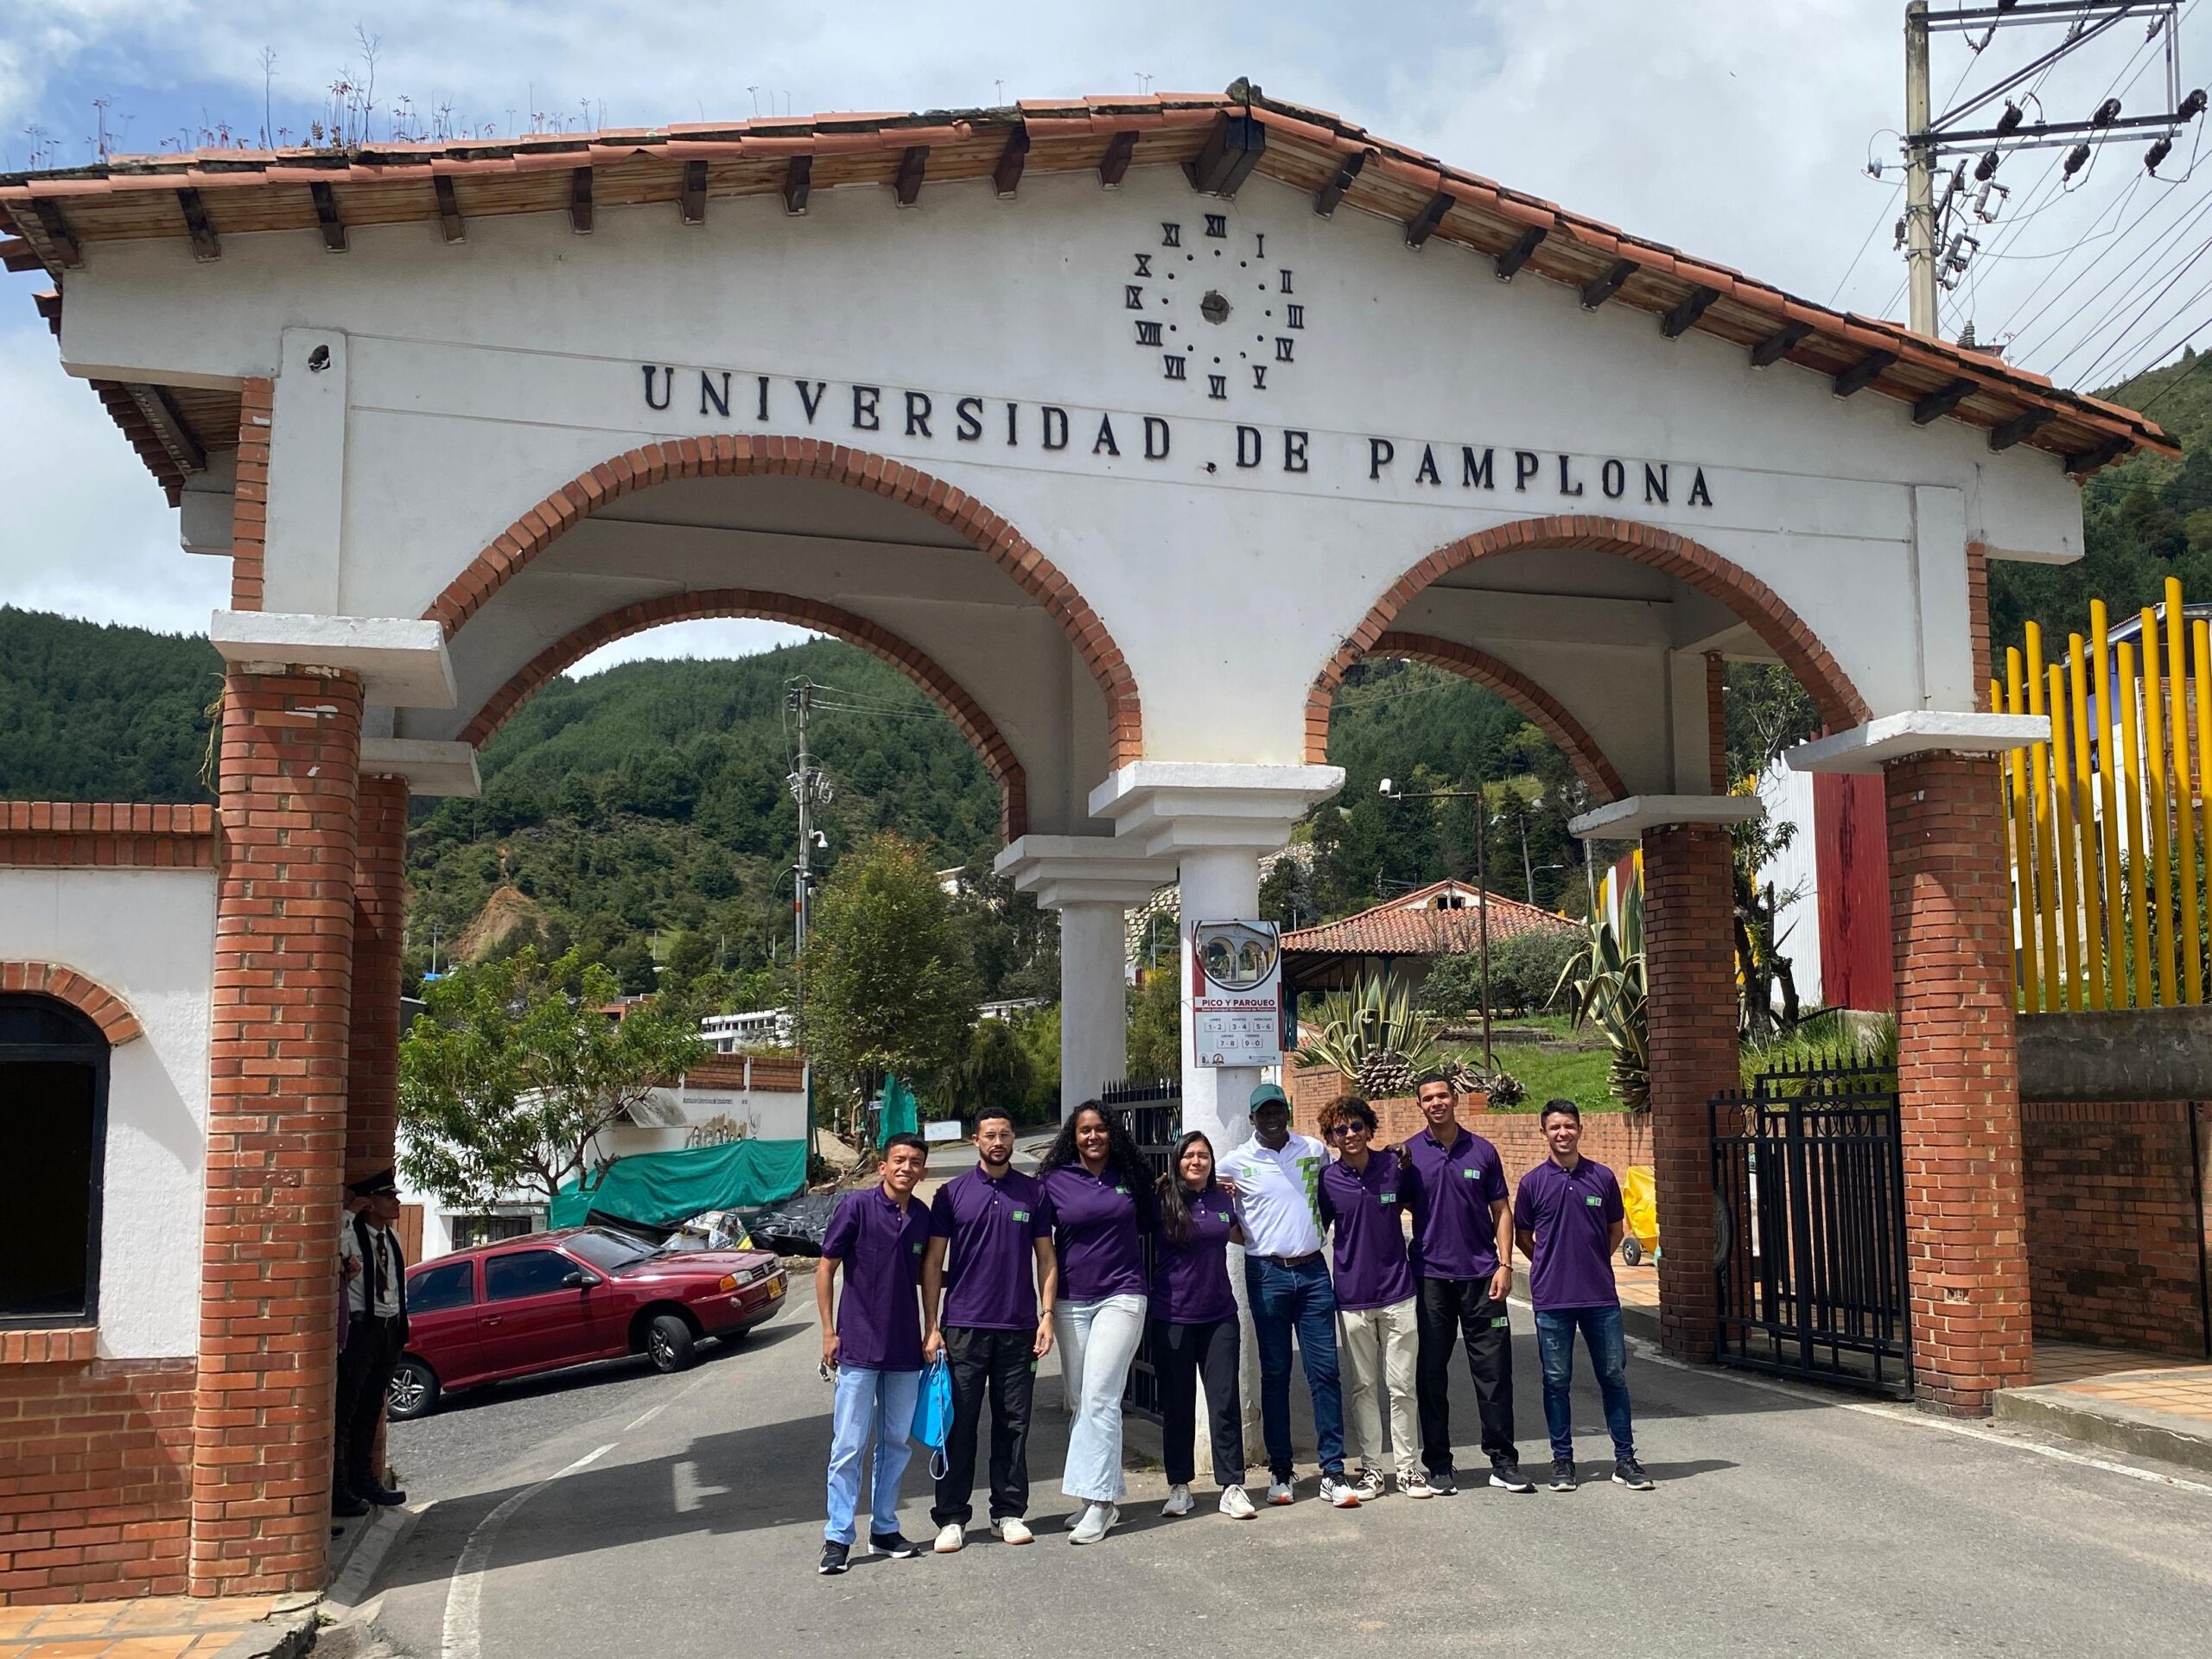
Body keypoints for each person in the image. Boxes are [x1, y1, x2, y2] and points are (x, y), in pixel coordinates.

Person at [919, 1107, 1058, 1553]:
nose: (997, 1142)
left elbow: (1047, 1258)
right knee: (957, 1425)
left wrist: (1047, 1313)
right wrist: (932, 1325)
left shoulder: (1033, 1193)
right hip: (963, 1327)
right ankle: (952, 1517)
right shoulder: (951, 1194)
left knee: (1013, 1423)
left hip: (1018, 1327)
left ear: (1013, 1139)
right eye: (989, 1135)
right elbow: (933, 1264)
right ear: (976, 1141)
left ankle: (1009, 1512)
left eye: (1004, 1135)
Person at [1219, 1083, 1358, 1510]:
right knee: (1276, 1374)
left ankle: (1333, 1470)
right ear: (1252, 1119)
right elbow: (1206, 1202)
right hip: (1266, 1274)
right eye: (1264, 1112)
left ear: (1288, 1112)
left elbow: (1340, 1185)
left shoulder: (1313, 1151)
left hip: (1314, 1272)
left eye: (1278, 1109)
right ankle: (1281, 1471)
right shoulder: (1234, 1163)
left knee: (1325, 1373)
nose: (1272, 1118)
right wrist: (1251, 1240)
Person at [1513, 1100, 1653, 1493]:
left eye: (1569, 1126)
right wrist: (1548, 1262)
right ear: (1544, 1133)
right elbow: (1524, 1236)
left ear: (1580, 1129)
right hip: (1552, 1298)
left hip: (1600, 1298)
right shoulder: (1532, 1183)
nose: (1563, 1133)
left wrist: (1590, 1261)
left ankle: (1625, 1459)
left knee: (1612, 1376)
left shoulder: (1602, 1178)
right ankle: (1562, 1460)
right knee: (1556, 1380)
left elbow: (1615, 1230)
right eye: (1555, 1127)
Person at [1402, 1072, 1533, 1496]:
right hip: (1430, 1280)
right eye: (1428, 1098)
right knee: (1430, 1374)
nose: (1436, 1103)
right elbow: (1390, 1203)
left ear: (1455, 1099)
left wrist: (1504, 1264)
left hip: (1481, 1278)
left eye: (1443, 1095)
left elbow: (1502, 1210)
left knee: (1494, 1372)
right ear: (1419, 1106)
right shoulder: (1409, 1155)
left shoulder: (1483, 1150)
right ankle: (1439, 1464)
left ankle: (1503, 1460)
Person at [816, 1133, 932, 1575]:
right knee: (848, 1445)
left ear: (922, 1171)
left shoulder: (921, 1217)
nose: (907, 1167)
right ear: (883, 1166)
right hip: (859, 1347)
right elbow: (826, 1269)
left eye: (915, 1162)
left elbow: (927, 1279)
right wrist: (829, 1332)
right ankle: (837, 1537)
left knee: (896, 1443)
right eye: (899, 1160)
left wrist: (932, 1330)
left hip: (905, 1349)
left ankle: (884, 1528)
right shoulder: (857, 1207)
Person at [1038, 1101, 1153, 1545]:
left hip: (1122, 1295)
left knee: (1102, 1396)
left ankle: (1101, 1503)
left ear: (1112, 1133)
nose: (1092, 1137)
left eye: (1100, 1129)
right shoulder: (1054, 1181)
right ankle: (1094, 1494)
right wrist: (1045, 1310)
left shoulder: (1131, 1178)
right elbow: (1041, 1247)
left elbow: (1155, 1220)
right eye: (1084, 1130)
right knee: (1081, 1399)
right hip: (1070, 1301)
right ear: (1074, 1135)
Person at [1318, 1099, 1425, 1501]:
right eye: (1340, 1131)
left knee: (1402, 1386)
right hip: (1352, 1295)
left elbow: (1421, 1205)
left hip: (1398, 1291)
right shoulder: (1328, 1180)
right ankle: (1372, 1469)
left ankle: (1408, 1468)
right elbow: (1319, 1227)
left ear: (1369, 1127)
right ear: (1330, 1138)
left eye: (1356, 1126)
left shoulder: (1394, 1167)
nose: (1350, 1135)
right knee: (1364, 1385)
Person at [1150, 1130, 1256, 1521]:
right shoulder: (1160, 1200)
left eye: (1204, 1156)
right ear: (1177, 1160)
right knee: (1177, 1405)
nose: (1196, 1161)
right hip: (1172, 1316)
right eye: (1189, 1156)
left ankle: (1232, 1486)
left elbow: (1243, 1234)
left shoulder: (1223, 1199)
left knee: (1224, 1402)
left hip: (1219, 1316)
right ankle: (1180, 1486)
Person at [333, 1169, 410, 1519]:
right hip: (361, 1332)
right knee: (346, 1410)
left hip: (387, 1330)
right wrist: (350, 1211)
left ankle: (365, 1480)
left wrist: (400, 1326)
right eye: (388, 1197)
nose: (396, 1202)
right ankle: (339, 1489)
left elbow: (395, 1286)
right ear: (370, 1203)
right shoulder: (352, 1234)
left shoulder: (390, 1238)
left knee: (370, 1410)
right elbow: (335, 1242)